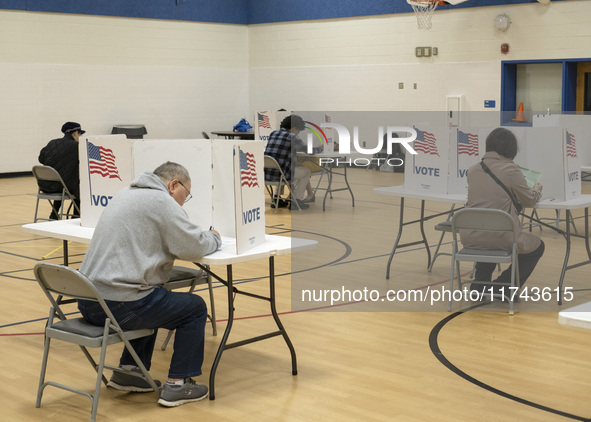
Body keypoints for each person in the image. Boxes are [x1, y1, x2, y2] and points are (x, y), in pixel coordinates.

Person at [77, 161, 221, 407]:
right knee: (194, 307)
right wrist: (214, 237)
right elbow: (192, 247)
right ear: (173, 184)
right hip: (118, 305)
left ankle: (129, 372)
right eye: (186, 194)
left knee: (152, 294)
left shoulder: (125, 193)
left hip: (89, 300)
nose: (184, 202)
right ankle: (178, 385)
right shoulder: (161, 201)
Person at [461, 127, 545, 293]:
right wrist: (537, 190)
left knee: (489, 231)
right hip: (501, 236)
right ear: (511, 149)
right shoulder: (512, 170)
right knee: (537, 247)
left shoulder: (473, 170)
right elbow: (528, 200)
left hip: (470, 235)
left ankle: (480, 284)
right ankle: (503, 288)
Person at [264, 115, 323, 210]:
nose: (298, 133)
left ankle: (276, 199)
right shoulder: (292, 136)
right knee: (306, 172)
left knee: (280, 166)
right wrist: (320, 148)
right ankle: (297, 200)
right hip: (282, 175)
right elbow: (309, 151)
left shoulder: (273, 133)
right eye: (298, 131)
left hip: (267, 175)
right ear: (293, 128)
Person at [38, 121, 84, 219]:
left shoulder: (52, 143)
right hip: (61, 187)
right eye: (80, 134)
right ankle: (76, 215)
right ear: (75, 133)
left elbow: (41, 159)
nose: (80, 137)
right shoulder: (76, 146)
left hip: (45, 184)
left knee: (63, 178)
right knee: (81, 185)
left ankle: (54, 214)